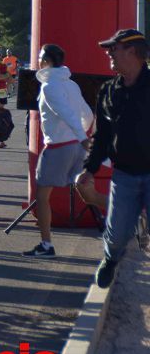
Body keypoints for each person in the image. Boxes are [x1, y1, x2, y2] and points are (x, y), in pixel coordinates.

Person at [76, 29, 150, 288]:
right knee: (117, 234)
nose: (109, 53)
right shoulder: (108, 91)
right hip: (125, 175)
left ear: (133, 51)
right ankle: (110, 258)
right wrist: (90, 169)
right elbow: (102, 136)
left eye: (114, 48)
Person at [24, 44, 93, 258]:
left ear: (45, 60)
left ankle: (46, 245)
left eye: (39, 57)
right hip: (75, 146)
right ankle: (132, 212)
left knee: (42, 195)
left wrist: (82, 138)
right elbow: (87, 114)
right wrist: (82, 135)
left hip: (58, 147)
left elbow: (63, 112)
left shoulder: (49, 86)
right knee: (89, 194)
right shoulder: (71, 84)